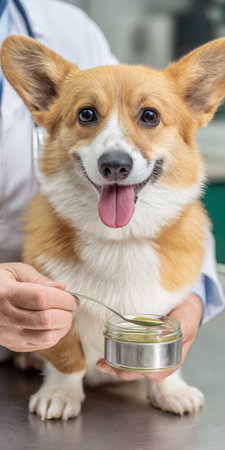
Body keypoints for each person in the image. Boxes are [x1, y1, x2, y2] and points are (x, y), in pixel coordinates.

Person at [0, 0, 224, 383]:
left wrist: (193, 300)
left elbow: (126, 89)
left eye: (148, 117)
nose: (115, 156)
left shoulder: (64, 24)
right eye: (87, 115)